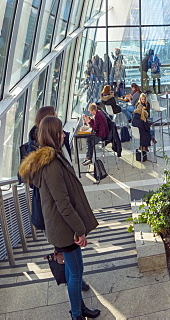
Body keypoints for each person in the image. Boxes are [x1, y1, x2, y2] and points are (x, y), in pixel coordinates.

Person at [19, 116, 101, 320]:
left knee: (77, 270)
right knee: (75, 274)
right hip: (65, 229)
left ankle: (79, 309)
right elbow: (62, 203)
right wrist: (79, 230)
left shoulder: (52, 158)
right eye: (60, 132)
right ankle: (76, 314)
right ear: (52, 135)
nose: (64, 134)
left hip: (63, 227)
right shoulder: (52, 165)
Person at [132, 94, 155, 159]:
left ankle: (143, 146)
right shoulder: (143, 120)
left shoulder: (134, 118)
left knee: (148, 131)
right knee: (151, 131)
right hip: (141, 134)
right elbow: (147, 128)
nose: (143, 100)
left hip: (135, 133)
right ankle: (146, 145)